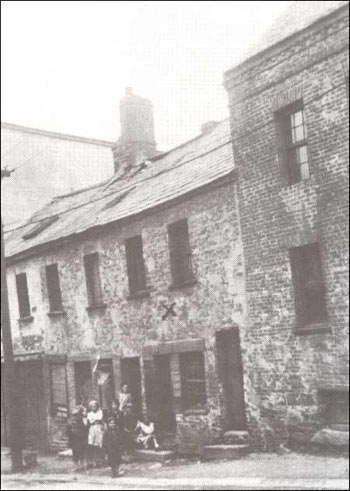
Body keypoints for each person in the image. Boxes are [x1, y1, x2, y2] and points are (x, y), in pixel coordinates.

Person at [87, 400, 104, 467]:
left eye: (95, 406)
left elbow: (99, 420)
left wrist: (95, 421)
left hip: (98, 429)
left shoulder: (100, 412)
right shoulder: (89, 414)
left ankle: (101, 460)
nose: (93, 407)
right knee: (92, 444)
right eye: (92, 406)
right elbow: (90, 422)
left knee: (99, 444)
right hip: (92, 429)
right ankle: (94, 461)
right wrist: (94, 421)